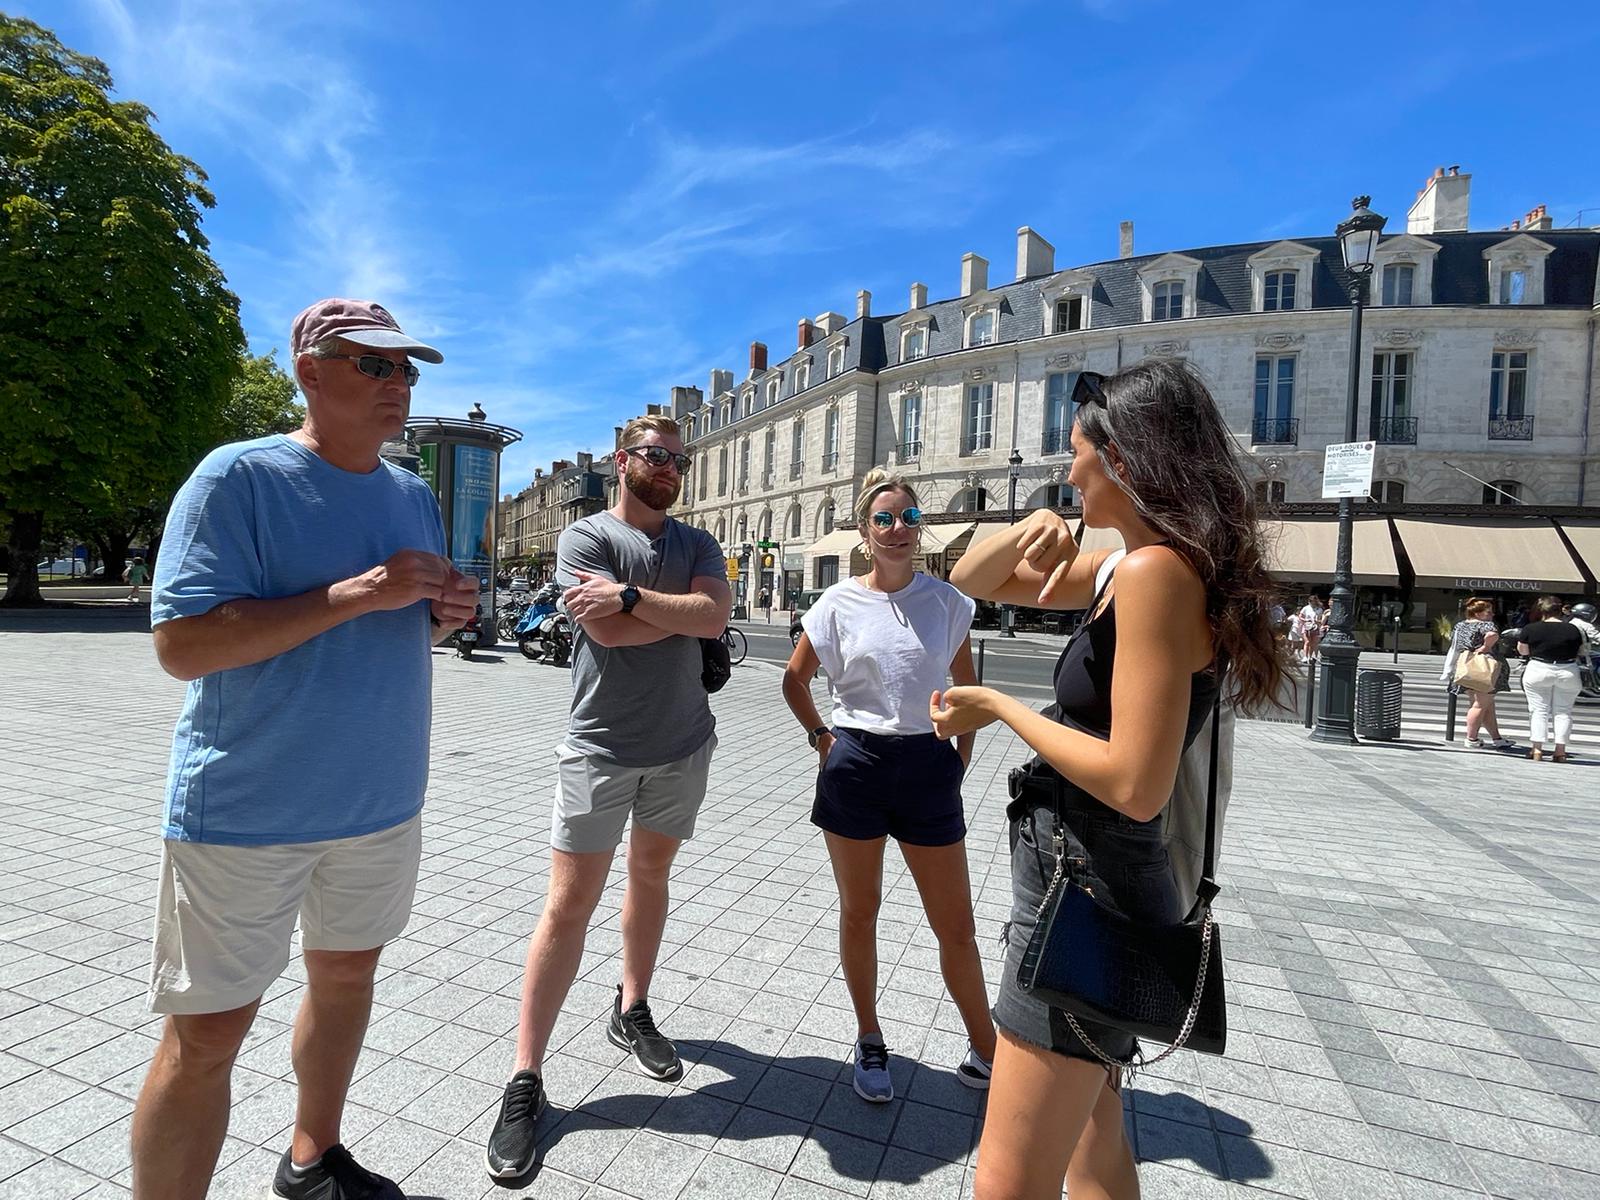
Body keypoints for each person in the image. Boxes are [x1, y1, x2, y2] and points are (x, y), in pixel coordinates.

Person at [133, 298, 478, 1200]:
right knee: (206, 1036)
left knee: (346, 980)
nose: (398, 384)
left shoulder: (410, 494)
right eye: (376, 365)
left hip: (379, 804)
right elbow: (182, 646)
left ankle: (311, 1156)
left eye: (408, 369)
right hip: (248, 808)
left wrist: (441, 616)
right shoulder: (237, 478)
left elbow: (403, 637)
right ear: (310, 371)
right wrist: (356, 593)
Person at [938, 361, 1285, 1200]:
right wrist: (1029, 527)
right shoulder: (1126, 568)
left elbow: (1135, 782)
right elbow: (965, 584)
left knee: (1007, 1184)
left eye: (1075, 453)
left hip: (1087, 886)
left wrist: (1000, 707)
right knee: (1096, 1142)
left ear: (1123, 459)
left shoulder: (1151, 574)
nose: (1068, 472)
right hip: (1090, 882)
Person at [486, 414, 730, 1181]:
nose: (669, 468)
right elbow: (611, 635)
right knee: (568, 904)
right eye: (655, 455)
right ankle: (525, 1078)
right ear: (623, 462)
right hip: (599, 750)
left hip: (682, 745)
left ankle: (632, 1009)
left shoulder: (698, 543)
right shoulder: (584, 538)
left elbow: (715, 616)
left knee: (651, 879)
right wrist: (664, 613)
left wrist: (629, 598)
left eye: (678, 459)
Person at [780, 469, 996, 1104]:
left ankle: (987, 1050)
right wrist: (824, 740)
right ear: (864, 532)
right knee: (860, 910)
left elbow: (966, 692)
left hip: (928, 768)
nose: (899, 529)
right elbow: (795, 681)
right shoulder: (837, 603)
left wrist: (958, 759)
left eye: (909, 518)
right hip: (858, 763)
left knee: (955, 924)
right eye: (885, 519)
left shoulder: (947, 602)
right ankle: (869, 1038)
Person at [1518, 595, 1585, 763]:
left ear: (1542, 611)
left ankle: (1537, 749)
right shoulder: (1573, 629)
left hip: (1539, 668)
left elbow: (1523, 651)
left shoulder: (1531, 628)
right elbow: (1582, 651)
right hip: (1568, 670)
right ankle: (1560, 751)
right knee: (1563, 711)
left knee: (1538, 710)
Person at [1441, 598, 1514, 750]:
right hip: (1485, 667)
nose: (1492, 614)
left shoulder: (1460, 626)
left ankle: (1497, 738)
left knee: (1485, 705)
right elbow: (1492, 635)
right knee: (1481, 705)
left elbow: (1454, 647)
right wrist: (1485, 648)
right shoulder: (1486, 624)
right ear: (1478, 613)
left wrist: (1448, 669)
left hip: (1466, 666)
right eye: (1489, 611)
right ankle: (1471, 738)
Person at [1298, 593, 1327, 663]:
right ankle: (1305, 656)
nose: (1312, 603)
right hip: (1306, 626)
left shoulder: (1319, 609)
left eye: (1314, 601)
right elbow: (1300, 616)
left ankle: (1310, 656)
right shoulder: (1306, 608)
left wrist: (1318, 621)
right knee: (1307, 642)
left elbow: (1322, 620)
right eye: (1311, 601)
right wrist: (1305, 620)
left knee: (1313, 643)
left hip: (1315, 627)